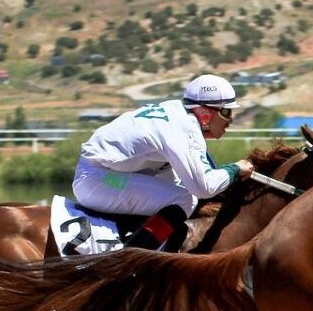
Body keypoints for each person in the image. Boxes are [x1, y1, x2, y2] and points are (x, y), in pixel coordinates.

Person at [72, 73, 255, 251]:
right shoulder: (184, 128)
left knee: (179, 194)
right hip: (100, 180)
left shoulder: (177, 116)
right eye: (226, 111)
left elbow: (184, 180)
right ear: (205, 112)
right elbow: (204, 187)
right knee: (183, 199)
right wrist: (235, 169)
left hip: (103, 174)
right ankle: (128, 265)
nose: (230, 119)